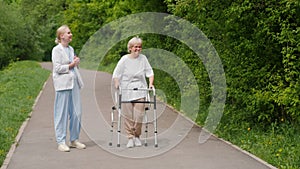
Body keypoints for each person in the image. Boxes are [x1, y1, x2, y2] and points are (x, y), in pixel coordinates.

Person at [112, 36, 154, 148]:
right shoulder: (124, 60)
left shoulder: (143, 58)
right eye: (135, 47)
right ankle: (130, 137)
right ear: (130, 48)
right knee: (128, 116)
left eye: (139, 47)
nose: (138, 49)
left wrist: (150, 83)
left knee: (138, 115)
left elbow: (150, 72)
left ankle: (137, 136)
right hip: (126, 89)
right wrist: (117, 83)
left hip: (140, 89)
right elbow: (116, 74)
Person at [51, 25, 86, 152]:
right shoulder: (56, 50)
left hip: (74, 84)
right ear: (62, 36)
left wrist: (76, 61)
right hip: (63, 85)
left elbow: (73, 65)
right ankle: (61, 141)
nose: (71, 34)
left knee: (77, 113)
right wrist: (72, 64)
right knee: (61, 114)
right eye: (68, 33)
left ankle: (74, 140)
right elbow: (58, 68)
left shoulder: (71, 49)